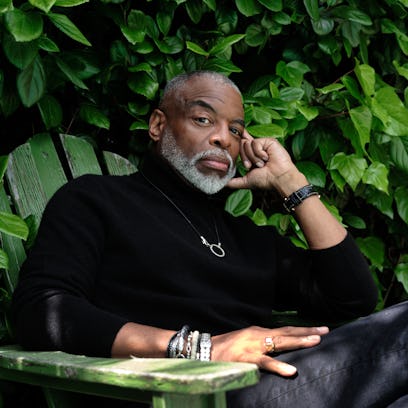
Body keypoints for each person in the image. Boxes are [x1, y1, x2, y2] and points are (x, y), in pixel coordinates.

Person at [11, 71, 408, 407]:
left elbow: (353, 296)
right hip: (188, 395)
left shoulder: (247, 239)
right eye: (204, 120)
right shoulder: (96, 200)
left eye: (235, 130)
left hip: (279, 385)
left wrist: (291, 183)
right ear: (158, 125)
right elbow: (41, 310)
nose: (223, 138)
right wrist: (202, 349)